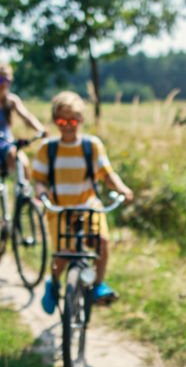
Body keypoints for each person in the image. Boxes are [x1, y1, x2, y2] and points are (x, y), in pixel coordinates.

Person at [32, 90, 134, 313]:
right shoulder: (47, 149)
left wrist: (122, 189)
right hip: (59, 210)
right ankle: (54, 283)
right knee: (63, 254)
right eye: (61, 120)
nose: (67, 125)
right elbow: (39, 180)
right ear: (55, 121)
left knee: (101, 244)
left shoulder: (92, 146)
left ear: (81, 120)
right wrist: (41, 194)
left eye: (73, 120)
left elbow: (107, 175)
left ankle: (97, 285)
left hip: (89, 207)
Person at [0, 62, 48, 256]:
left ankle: (26, 197)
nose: (4, 83)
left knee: (23, 160)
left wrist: (40, 129)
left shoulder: (11, 101)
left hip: (6, 145)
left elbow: (26, 116)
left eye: (7, 80)